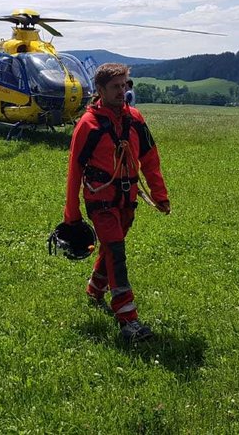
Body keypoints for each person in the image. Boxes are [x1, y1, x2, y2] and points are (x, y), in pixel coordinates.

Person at [64, 63, 171, 344]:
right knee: (116, 249)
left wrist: (160, 194)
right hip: (100, 198)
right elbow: (75, 170)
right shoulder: (87, 125)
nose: (123, 91)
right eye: (116, 87)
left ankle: (95, 288)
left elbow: (150, 158)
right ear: (100, 90)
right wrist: (71, 215)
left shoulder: (135, 119)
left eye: (126, 85)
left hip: (128, 198)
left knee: (113, 247)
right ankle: (128, 318)